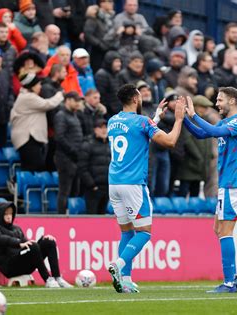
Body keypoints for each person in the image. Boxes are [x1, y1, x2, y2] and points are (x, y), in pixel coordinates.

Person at [107, 84, 184, 293]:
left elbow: (136, 134)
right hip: (133, 185)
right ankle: (118, 265)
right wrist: (178, 120)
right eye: (140, 96)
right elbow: (169, 141)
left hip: (114, 183)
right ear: (135, 99)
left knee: (126, 232)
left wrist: (156, 117)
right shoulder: (142, 122)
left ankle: (126, 281)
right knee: (144, 233)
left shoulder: (112, 121)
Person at [184, 87, 237, 293]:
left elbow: (212, 132)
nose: (217, 103)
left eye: (220, 100)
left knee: (224, 231)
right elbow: (202, 133)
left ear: (232, 101)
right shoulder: (225, 122)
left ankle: (229, 282)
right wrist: (182, 118)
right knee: (218, 229)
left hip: (234, 182)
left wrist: (194, 114)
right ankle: (234, 278)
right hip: (228, 183)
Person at [0, 202, 72, 288]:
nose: (9, 216)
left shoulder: (16, 229)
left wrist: (42, 240)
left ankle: (57, 278)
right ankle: (48, 279)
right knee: (33, 246)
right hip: (10, 267)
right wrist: (18, 243)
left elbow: (28, 245)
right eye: (6, 214)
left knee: (49, 242)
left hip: (22, 263)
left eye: (10, 213)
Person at [10, 73, 64, 172]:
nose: (40, 87)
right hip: (27, 138)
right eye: (38, 84)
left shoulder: (27, 95)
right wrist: (60, 95)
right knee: (33, 167)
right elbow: (48, 104)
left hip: (31, 138)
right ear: (32, 86)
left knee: (35, 166)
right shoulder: (28, 97)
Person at [176, 95, 214, 198]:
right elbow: (187, 140)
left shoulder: (205, 121)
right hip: (189, 163)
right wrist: (198, 156)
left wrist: (208, 155)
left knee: (195, 192)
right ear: (196, 106)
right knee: (183, 191)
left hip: (199, 166)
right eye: (203, 107)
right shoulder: (188, 120)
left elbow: (208, 141)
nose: (205, 109)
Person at [54, 91, 84, 214]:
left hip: (74, 158)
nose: (78, 103)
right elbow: (59, 137)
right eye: (75, 100)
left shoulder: (74, 115)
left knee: (74, 190)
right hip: (65, 158)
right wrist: (73, 151)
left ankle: (72, 215)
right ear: (68, 100)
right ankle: (62, 217)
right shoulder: (61, 115)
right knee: (65, 190)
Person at [78, 119, 111, 214]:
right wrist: (92, 185)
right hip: (93, 189)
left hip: (107, 188)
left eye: (106, 127)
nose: (104, 130)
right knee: (92, 216)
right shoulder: (87, 144)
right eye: (101, 127)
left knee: (102, 217)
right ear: (95, 129)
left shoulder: (110, 145)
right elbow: (82, 167)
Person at [83, 0, 115, 73]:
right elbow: (88, 34)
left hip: (109, 49)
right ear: (102, 3)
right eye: (109, 1)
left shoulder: (112, 18)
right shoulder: (93, 17)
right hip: (96, 52)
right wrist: (99, 44)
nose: (112, 3)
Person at [95, 51, 122, 117]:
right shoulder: (102, 74)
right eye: (116, 62)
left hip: (117, 111)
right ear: (109, 62)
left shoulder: (117, 74)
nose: (119, 64)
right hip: (109, 113)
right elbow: (102, 97)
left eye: (119, 61)